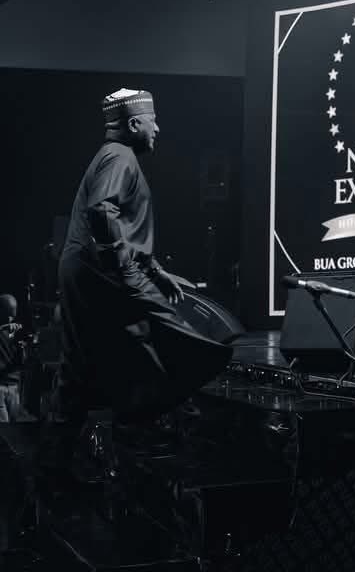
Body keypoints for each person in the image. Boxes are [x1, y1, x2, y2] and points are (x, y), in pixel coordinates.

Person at [46, 88, 231, 464]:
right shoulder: (120, 156)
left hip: (84, 269)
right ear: (134, 124)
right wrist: (126, 268)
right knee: (188, 343)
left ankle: (53, 468)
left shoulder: (112, 155)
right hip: (101, 271)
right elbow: (102, 210)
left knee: (79, 368)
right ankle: (144, 435)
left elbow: (123, 226)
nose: (157, 128)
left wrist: (156, 271)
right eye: (153, 121)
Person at [0, 294, 25, 423]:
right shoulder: (4, 328)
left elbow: (21, 361)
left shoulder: (15, 333)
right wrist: (3, 328)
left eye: (12, 316)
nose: (10, 319)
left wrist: (22, 347)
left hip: (14, 386)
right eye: (7, 315)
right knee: (3, 427)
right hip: (0, 386)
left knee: (14, 426)